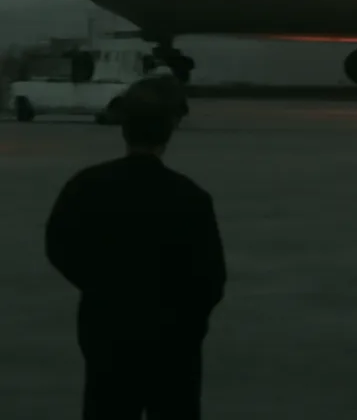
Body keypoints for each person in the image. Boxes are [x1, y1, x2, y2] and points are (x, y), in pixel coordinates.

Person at [45, 76, 226, 420]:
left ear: (124, 128)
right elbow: (211, 277)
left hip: (107, 332)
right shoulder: (189, 197)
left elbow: (59, 246)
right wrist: (186, 323)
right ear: (169, 130)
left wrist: (100, 287)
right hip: (174, 341)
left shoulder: (86, 186)